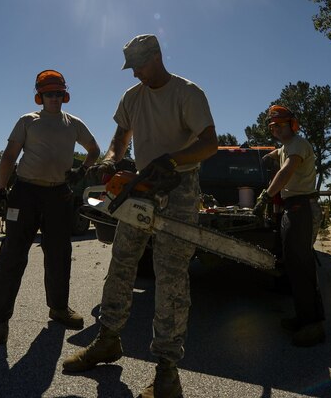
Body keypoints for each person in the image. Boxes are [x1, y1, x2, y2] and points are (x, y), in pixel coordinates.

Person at [62, 34, 217, 398]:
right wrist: (111, 161)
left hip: (179, 185)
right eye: (132, 69)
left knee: (171, 275)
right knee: (122, 262)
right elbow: (120, 139)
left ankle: (167, 371)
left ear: (158, 57)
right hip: (142, 187)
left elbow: (209, 141)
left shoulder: (187, 93)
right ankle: (108, 340)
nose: (136, 75)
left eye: (141, 67)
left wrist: (174, 159)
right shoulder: (132, 97)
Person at [0, 69, 100, 345]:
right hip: (25, 192)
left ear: (65, 95)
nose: (54, 98)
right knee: (13, 254)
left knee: (59, 253)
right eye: (49, 93)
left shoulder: (74, 123)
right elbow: (10, 156)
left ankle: (59, 308)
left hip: (59, 194)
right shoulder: (28, 121)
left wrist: (81, 171)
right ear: (40, 96)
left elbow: (94, 149)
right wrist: (1, 190)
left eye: (58, 93)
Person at [254, 104, 325, 347]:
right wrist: (268, 155)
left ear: (289, 125)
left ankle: (313, 326)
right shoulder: (286, 147)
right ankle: (305, 317)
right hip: (292, 207)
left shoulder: (298, 144)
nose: (273, 129)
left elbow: (285, 173)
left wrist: (265, 196)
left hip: (302, 207)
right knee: (294, 265)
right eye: (271, 126)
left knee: (302, 265)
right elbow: (280, 154)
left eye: (277, 125)